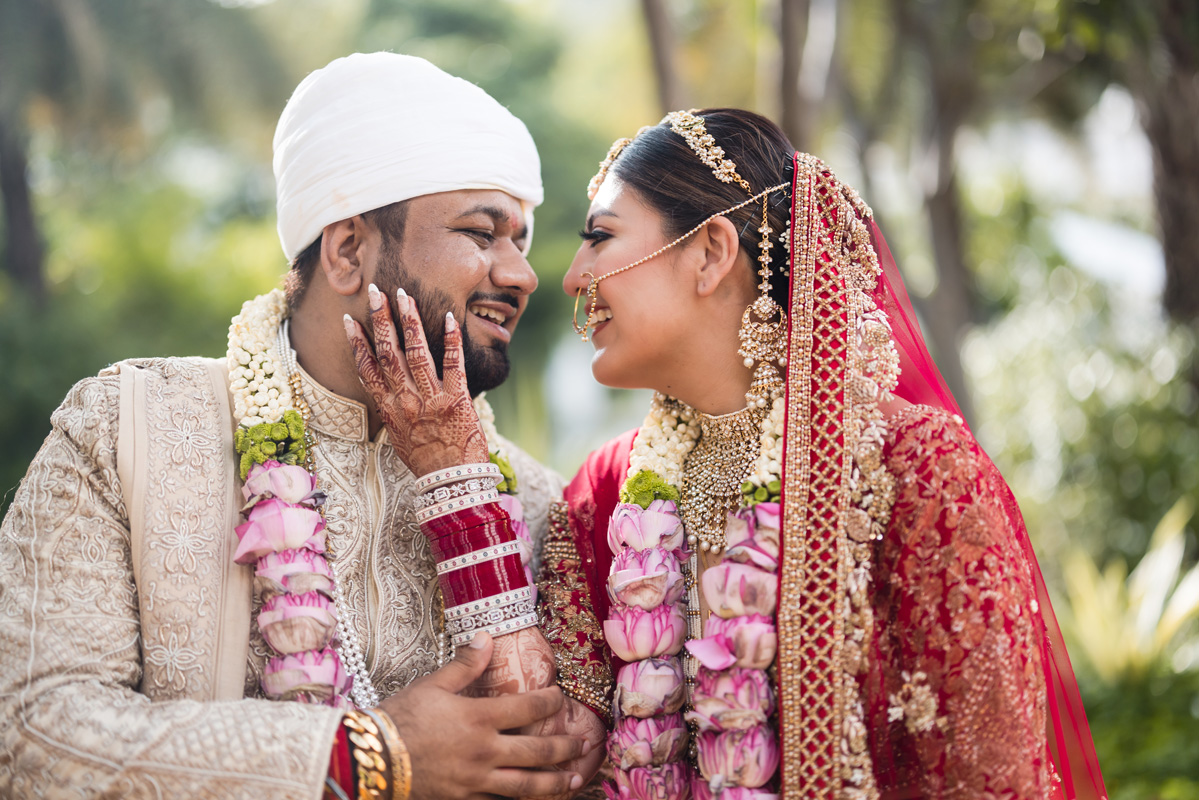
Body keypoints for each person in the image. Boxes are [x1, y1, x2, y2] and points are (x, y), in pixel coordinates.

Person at [368, 108, 1112, 799]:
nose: (570, 278)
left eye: (599, 237)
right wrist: (454, 477)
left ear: (710, 253)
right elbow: (544, 754)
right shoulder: (603, 493)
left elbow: (990, 778)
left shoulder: (912, 471)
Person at [0, 52, 603, 800]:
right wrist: (369, 756)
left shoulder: (536, 501)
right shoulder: (129, 430)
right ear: (347, 250)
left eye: (520, 238)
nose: (520, 273)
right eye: (483, 232)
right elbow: (32, 733)